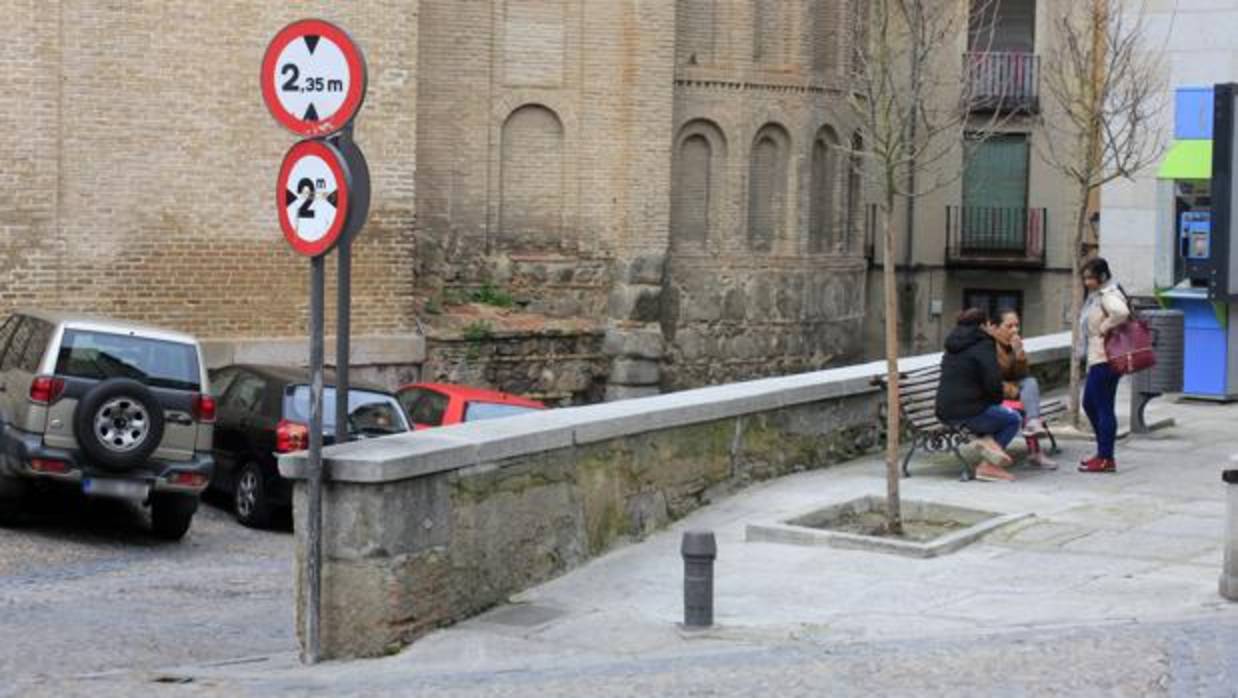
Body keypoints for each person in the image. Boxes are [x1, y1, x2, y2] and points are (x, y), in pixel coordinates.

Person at [936, 308, 1023, 482]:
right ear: (984, 325)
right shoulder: (984, 343)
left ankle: (987, 442)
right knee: (1013, 419)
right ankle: (988, 466)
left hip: (944, 410)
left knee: (995, 414)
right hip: (969, 411)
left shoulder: (953, 344)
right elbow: (992, 381)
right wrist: (997, 401)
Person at [1077, 257, 1129, 473]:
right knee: (1090, 403)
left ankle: (1106, 457)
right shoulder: (1097, 295)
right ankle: (1103, 452)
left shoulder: (1108, 295)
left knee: (1103, 406)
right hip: (1098, 358)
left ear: (1102, 276)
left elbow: (1122, 313)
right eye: (1085, 277)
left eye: (1090, 277)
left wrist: (1103, 328)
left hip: (1105, 359)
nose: (1087, 282)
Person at [992, 309, 1058, 469]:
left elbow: (1022, 374)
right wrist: (1014, 391)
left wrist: (1019, 353)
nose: (1015, 330)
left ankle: (1034, 423)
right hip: (992, 395)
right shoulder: (988, 346)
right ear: (994, 327)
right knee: (1026, 404)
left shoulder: (1011, 345)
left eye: (1017, 325)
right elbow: (991, 380)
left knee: (1030, 382)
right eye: (1009, 326)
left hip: (1009, 393)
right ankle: (1035, 453)